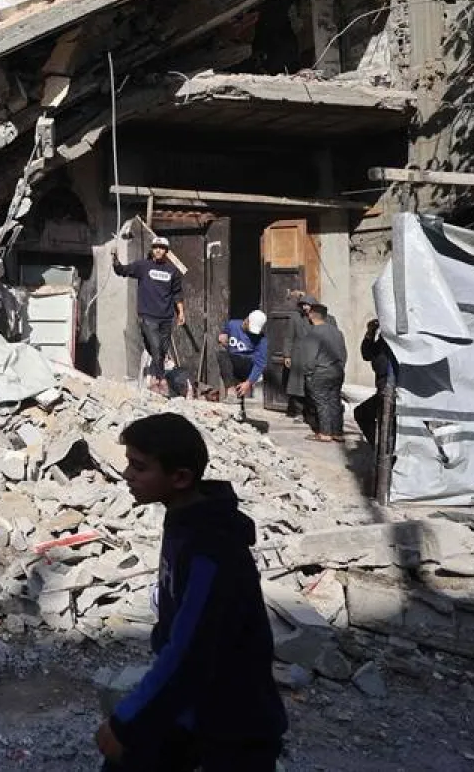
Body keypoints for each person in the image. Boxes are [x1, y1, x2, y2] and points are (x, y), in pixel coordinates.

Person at [95, 413, 287, 771]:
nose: (127, 475)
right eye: (128, 463)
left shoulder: (211, 548)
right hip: (194, 706)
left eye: (139, 467)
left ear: (180, 477)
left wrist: (126, 722)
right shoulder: (184, 519)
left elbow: (191, 651)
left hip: (232, 721)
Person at [113, 235, 186, 393]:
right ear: (152, 250)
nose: (158, 250)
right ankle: (161, 380)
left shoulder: (173, 271)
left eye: (161, 248)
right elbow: (122, 271)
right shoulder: (143, 266)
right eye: (155, 247)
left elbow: (177, 294)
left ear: (166, 251)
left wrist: (181, 312)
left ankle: (155, 379)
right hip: (148, 316)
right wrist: (115, 260)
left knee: (161, 350)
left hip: (166, 317)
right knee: (156, 347)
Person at [292, 302, 346, 443]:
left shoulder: (313, 334)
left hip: (320, 372)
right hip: (337, 371)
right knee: (335, 401)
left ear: (311, 315)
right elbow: (343, 353)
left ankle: (325, 433)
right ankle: (337, 432)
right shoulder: (337, 332)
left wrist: (308, 373)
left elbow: (310, 358)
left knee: (322, 402)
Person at [354, 318, 395, 444]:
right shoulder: (384, 340)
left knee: (366, 415)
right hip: (385, 389)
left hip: (392, 390)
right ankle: (379, 446)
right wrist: (370, 334)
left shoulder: (395, 340)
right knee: (363, 413)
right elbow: (367, 354)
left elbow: (380, 364)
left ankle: (385, 449)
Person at [215, 310, 268, 401]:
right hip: (233, 361)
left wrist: (249, 382)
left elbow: (260, 363)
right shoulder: (232, 325)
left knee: (254, 362)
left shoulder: (261, 339)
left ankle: (246, 388)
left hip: (248, 364)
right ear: (247, 320)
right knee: (222, 353)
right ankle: (231, 390)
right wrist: (221, 337)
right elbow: (223, 335)